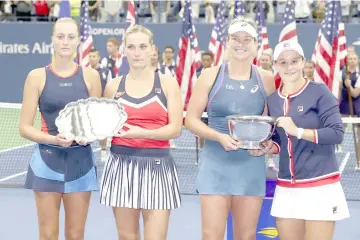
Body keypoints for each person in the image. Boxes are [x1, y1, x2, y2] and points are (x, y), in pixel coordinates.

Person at [185, 17, 277, 239]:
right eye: (236, 38)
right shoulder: (210, 75)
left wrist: (269, 145)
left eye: (247, 39)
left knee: (245, 236)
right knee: (212, 235)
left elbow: (274, 124)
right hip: (216, 165)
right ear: (227, 41)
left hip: (251, 166)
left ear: (256, 44)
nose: (241, 44)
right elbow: (191, 120)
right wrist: (218, 137)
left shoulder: (266, 79)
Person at [19, 18, 101, 240]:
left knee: (75, 235)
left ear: (78, 41)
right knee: (48, 235)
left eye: (71, 37)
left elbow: (96, 123)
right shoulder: (36, 77)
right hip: (46, 163)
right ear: (52, 40)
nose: (65, 42)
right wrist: (54, 140)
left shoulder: (91, 76)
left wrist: (87, 136)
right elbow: (24, 127)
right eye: (60, 36)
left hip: (81, 164)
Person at [99, 24, 183, 240]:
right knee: (127, 237)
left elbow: (175, 129)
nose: (137, 53)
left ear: (152, 49)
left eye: (142, 46)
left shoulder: (167, 84)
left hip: (158, 167)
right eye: (132, 47)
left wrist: (140, 132)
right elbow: (103, 129)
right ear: (124, 50)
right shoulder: (112, 87)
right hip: (120, 166)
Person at [268, 40, 349, 240]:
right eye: (283, 62)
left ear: (303, 62)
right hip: (287, 186)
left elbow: (336, 133)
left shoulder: (320, 92)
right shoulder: (272, 100)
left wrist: (298, 131)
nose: (289, 67)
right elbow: (280, 138)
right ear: (275, 65)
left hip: (320, 185)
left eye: (294, 61)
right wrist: (269, 146)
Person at [88, 48, 112, 161]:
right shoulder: (84, 71)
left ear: (98, 57)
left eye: (94, 56)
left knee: (102, 130)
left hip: (102, 105)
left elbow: (109, 87)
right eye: (90, 56)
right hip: (88, 106)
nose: (92, 58)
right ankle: (85, 153)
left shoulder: (106, 71)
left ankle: (103, 151)